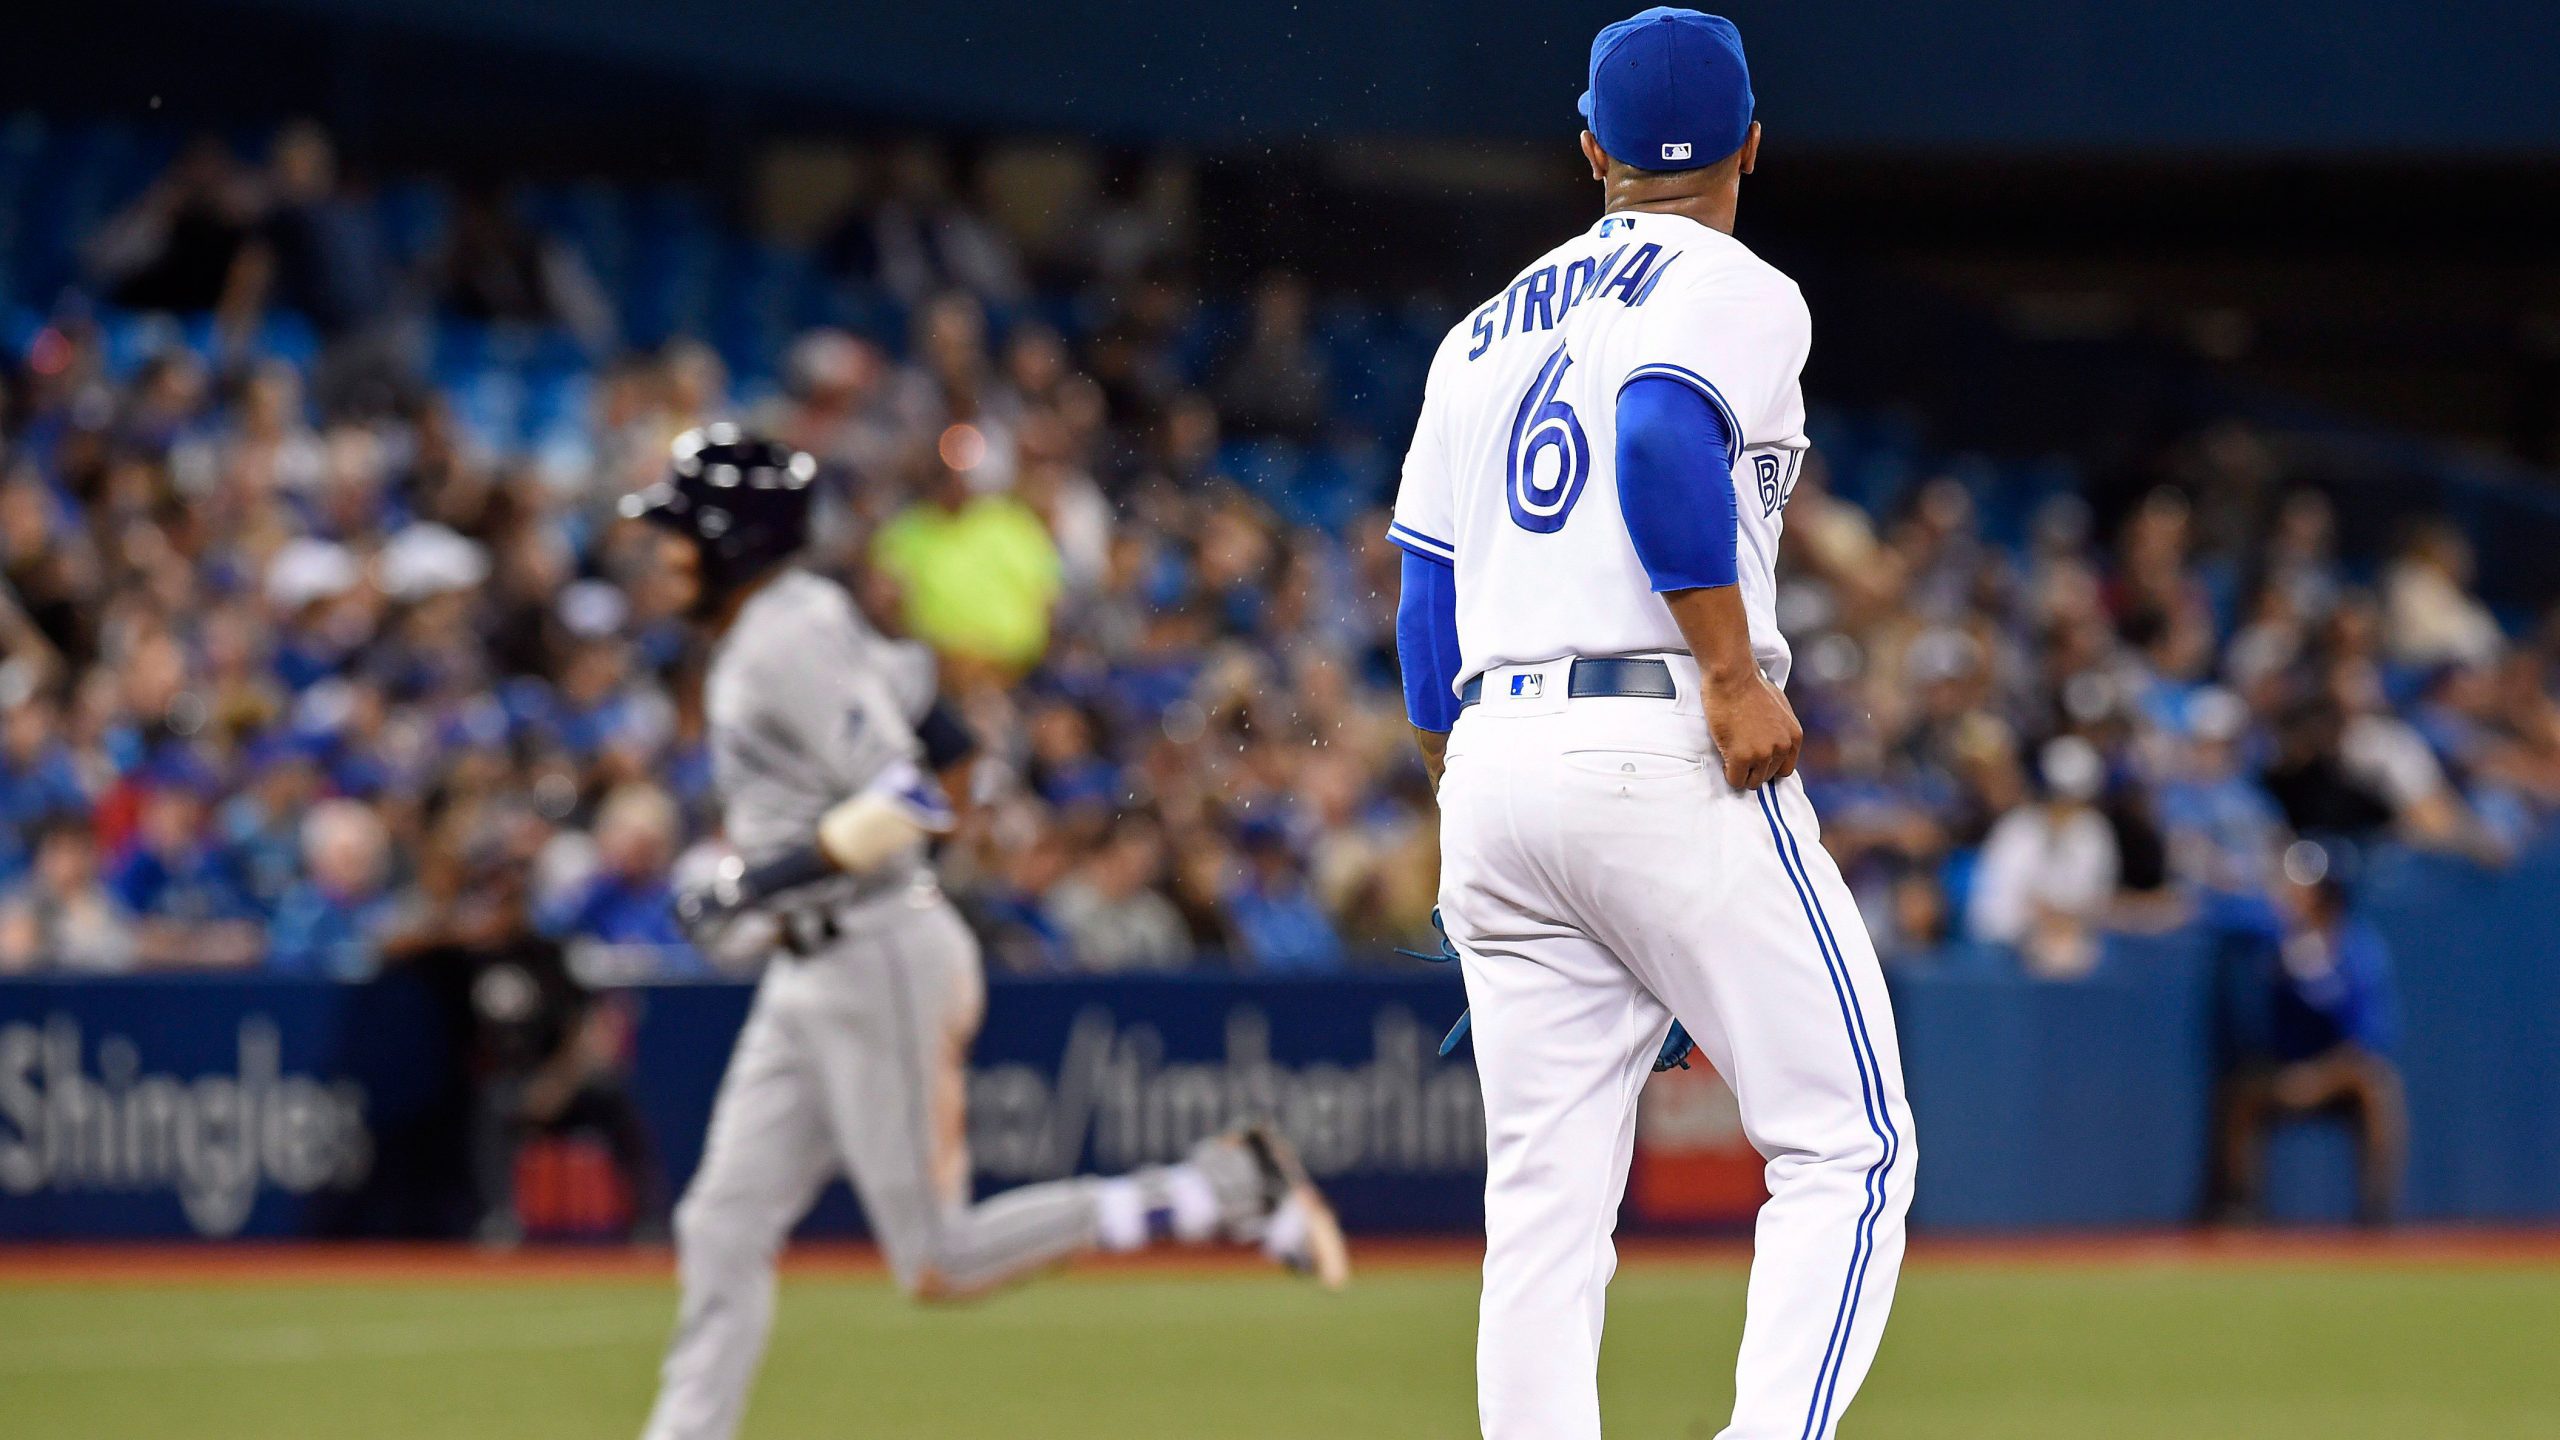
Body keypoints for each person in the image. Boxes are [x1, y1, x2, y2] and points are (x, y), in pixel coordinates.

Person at [1391, 13, 1913, 1437]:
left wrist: (1473, 798)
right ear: (1752, 142)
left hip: (1496, 763)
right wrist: (1734, 674)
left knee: (1545, 1213)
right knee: (1848, 1146)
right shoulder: (1732, 281)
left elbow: (1425, 603)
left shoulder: (1476, 333)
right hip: (1661, 729)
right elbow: (1658, 437)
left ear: (1590, 148)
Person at [622, 428, 1348, 1440]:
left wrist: (757, 881)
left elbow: (912, 795)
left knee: (937, 1258)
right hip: (815, 963)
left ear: (729, 538)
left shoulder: (781, 640)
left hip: (872, 950)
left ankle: (1220, 1187)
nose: (661, 555)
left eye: (677, 532)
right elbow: (941, 736)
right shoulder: (800, 618)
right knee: (720, 1222)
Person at [2209, 841, 2406, 1226]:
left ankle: (2376, 1211)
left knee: (2378, 1086)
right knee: (2241, 1092)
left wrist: (2317, 1078)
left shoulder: (2359, 949)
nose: (2293, 895)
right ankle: (2240, 1208)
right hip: (2281, 1069)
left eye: (2304, 887)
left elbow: (2369, 1040)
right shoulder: (2275, 934)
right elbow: (2224, 914)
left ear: (2327, 895)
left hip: (2337, 1073)